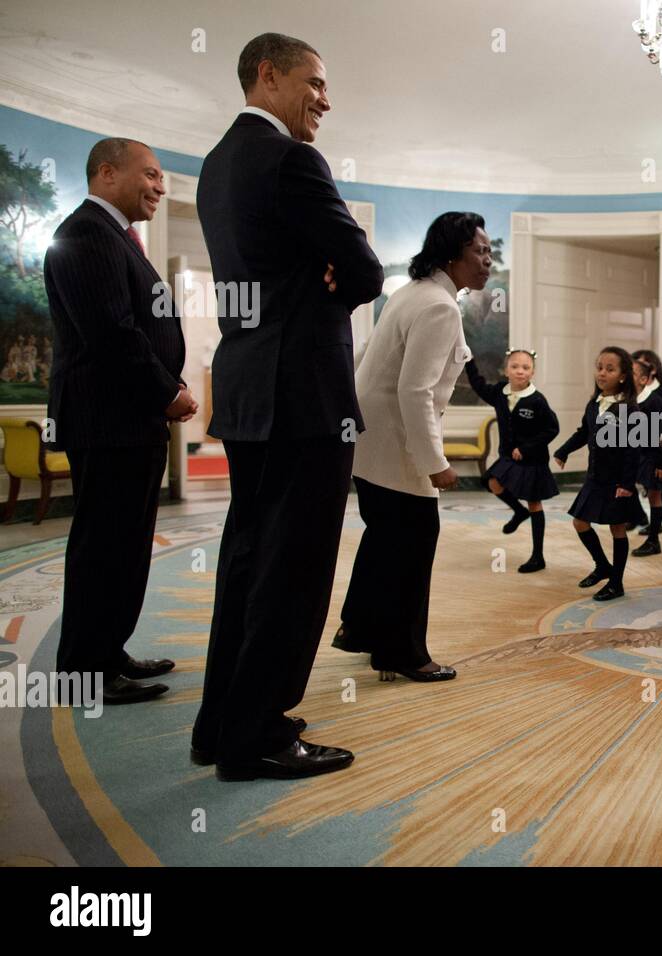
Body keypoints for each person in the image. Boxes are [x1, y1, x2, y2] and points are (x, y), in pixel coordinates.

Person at [192, 33, 384, 781]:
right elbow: (365, 270)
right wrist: (334, 273)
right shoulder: (293, 160)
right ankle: (259, 735)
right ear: (268, 75)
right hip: (303, 393)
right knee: (294, 567)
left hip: (245, 386)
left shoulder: (215, 166)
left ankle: (222, 720)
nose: (326, 100)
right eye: (316, 82)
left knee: (247, 558)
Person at [44, 137, 194, 705]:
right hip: (109, 420)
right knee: (105, 547)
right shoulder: (85, 234)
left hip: (125, 419)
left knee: (125, 545)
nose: (161, 186)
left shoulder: (112, 234)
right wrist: (166, 393)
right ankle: (87, 669)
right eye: (152, 175)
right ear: (107, 173)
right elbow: (111, 333)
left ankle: (108, 651)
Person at [334, 212, 490, 683]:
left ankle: (360, 629)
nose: (487, 260)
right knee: (413, 543)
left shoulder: (410, 293)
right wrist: (434, 463)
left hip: (372, 442)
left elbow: (367, 363)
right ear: (452, 255)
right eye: (480, 252)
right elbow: (414, 391)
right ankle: (403, 653)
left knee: (384, 537)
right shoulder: (439, 306)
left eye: (489, 252)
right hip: (397, 447)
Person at [554, 347, 642, 601]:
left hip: (617, 481)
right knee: (580, 521)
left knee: (617, 528)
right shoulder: (595, 403)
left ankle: (617, 583)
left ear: (623, 376)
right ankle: (602, 565)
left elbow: (632, 450)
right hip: (595, 477)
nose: (602, 373)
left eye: (610, 369)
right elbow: (585, 432)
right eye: (599, 367)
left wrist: (627, 483)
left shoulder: (629, 411)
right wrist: (564, 450)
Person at [465, 349, 560, 572]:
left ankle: (538, 556)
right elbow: (478, 385)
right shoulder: (500, 392)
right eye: (515, 367)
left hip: (533, 459)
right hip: (508, 456)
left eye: (526, 368)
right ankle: (519, 512)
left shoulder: (537, 400)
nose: (520, 371)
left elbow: (552, 429)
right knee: (492, 482)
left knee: (534, 502)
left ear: (532, 372)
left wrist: (526, 448)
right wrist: (468, 360)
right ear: (506, 370)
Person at [630, 349, 662, 558]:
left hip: (657, 456)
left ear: (646, 376)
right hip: (641, 455)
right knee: (650, 494)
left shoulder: (657, 401)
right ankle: (643, 524)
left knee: (657, 495)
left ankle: (653, 539)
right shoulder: (632, 399)